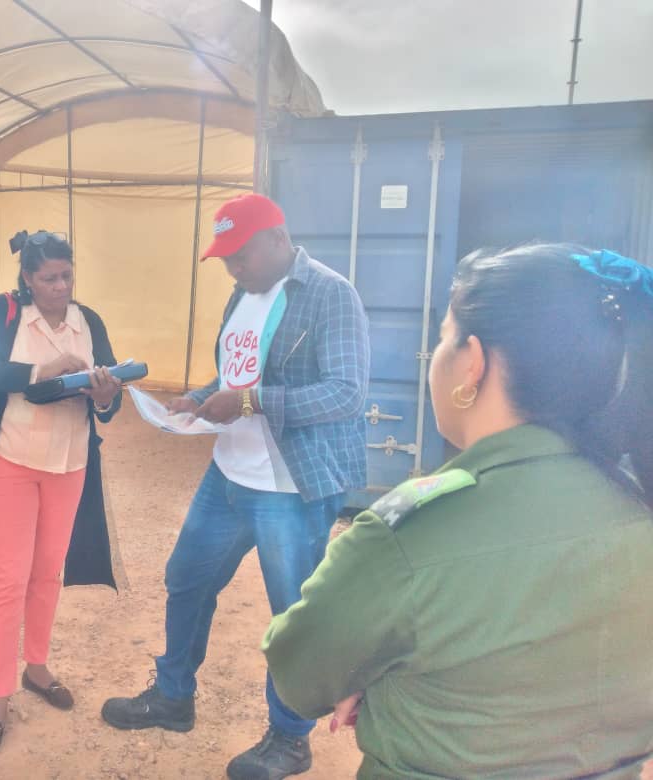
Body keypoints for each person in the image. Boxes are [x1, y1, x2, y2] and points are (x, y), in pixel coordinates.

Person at [263, 244, 653, 778]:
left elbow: (298, 672)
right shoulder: (636, 503)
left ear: (472, 363)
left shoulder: (408, 536)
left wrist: (383, 682)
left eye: (443, 337)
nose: (436, 356)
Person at [102, 193, 370, 779]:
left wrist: (249, 401)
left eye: (239, 255)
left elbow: (346, 392)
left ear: (277, 239)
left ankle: (290, 739)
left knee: (291, 613)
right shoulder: (242, 293)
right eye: (224, 259)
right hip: (229, 475)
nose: (232, 268)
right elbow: (235, 374)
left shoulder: (330, 293)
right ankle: (173, 698)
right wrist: (199, 398)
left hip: (290, 487)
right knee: (187, 579)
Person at [0, 229, 123, 755]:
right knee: (8, 579)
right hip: (12, 460)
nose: (60, 287)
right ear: (27, 278)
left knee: (49, 570)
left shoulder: (88, 321)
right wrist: (39, 371)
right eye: (48, 278)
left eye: (67, 276)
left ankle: (38, 668)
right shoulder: (4, 313)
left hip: (70, 464)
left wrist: (104, 395)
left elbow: (110, 396)